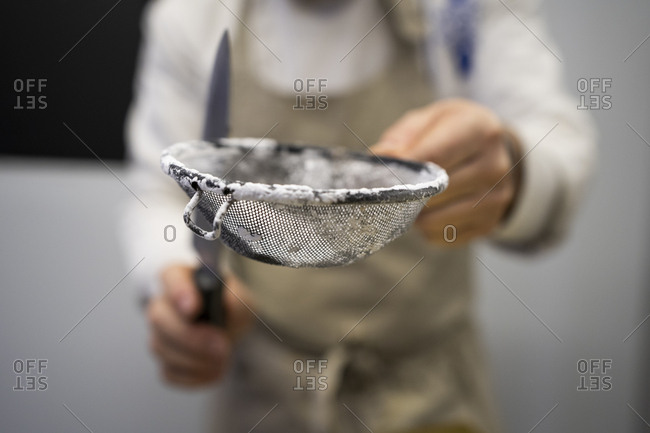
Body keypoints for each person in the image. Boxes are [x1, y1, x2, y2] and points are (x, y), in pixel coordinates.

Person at [121, 0, 596, 432]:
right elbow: (160, 194)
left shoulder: (460, 10)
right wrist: (177, 277)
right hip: (264, 396)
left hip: (427, 402)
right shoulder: (191, 16)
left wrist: (511, 166)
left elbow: (556, 148)